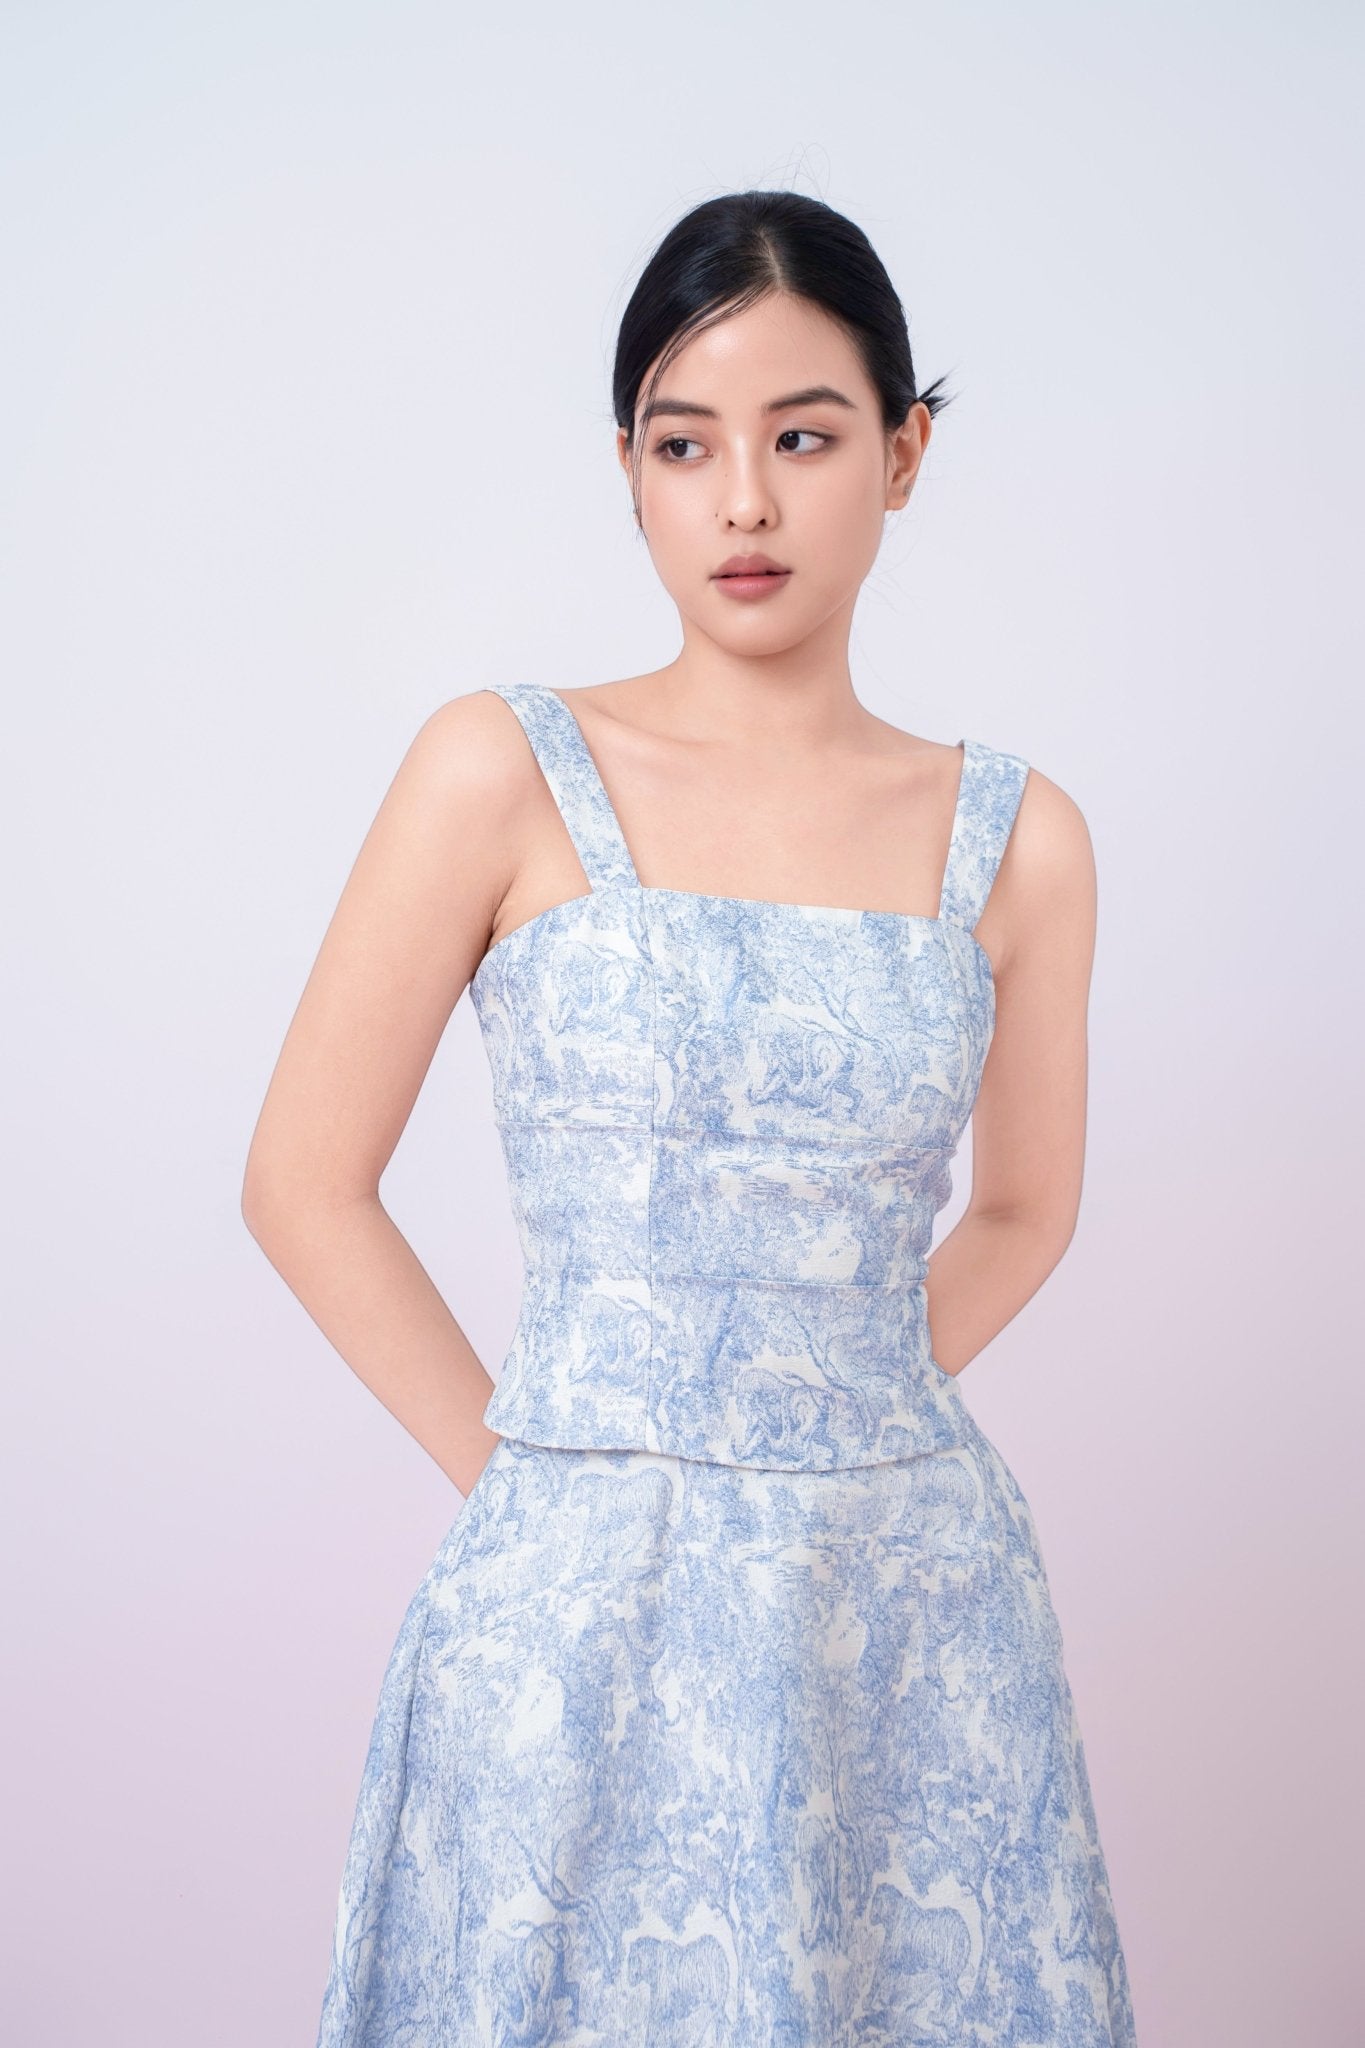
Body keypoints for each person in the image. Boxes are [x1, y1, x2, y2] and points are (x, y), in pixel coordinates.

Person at [243, 188, 1138, 2046]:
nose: (742, 503)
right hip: (571, 1602)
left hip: (905, 1606)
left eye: (802, 438)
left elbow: (1023, 1211)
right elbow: (302, 1184)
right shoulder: (498, 767)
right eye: (683, 444)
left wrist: (830, 1403)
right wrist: (540, 1477)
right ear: (629, 472)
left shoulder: (1017, 837)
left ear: (902, 455)